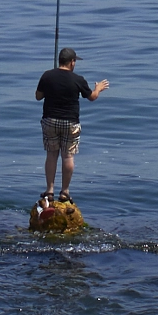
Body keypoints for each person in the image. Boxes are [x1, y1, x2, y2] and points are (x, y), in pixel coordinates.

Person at [35, 48, 106, 206]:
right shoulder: (78, 79)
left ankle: (50, 190)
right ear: (72, 62)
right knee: (68, 156)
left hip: (50, 120)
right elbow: (92, 98)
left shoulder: (47, 75)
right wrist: (98, 88)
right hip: (70, 122)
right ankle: (65, 191)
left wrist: (50, 88)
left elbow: (38, 96)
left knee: (52, 155)